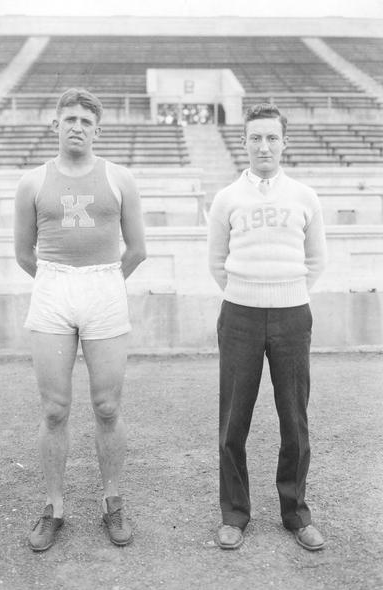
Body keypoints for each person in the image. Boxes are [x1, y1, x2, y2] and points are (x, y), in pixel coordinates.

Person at [14, 88, 146, 551]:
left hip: (104, 287)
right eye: (69, 119)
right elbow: (23, 253)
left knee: (108, 406)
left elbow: (138, 249)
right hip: (52, 287)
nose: (77, 127)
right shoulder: (32, 182)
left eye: (86, 122)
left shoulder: (119, 178)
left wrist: (103, 283)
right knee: (54, 408)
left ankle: (113, 501)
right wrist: (60, 282)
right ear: (55, 125)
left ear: (97, 129)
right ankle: (54, 507)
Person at [208, 103, 327, 551]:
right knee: (233, 421)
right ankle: (234, 514)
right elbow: (217, 262)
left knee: (294, 420)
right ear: (244, 142)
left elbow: (316, 259)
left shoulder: (304, 196)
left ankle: (295, 513)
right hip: (239, 314)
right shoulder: (227, 198)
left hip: (292, 314)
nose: (264, 146)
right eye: (255, 137)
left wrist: (287, 291)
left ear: (284, 142)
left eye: (272, 137)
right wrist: (248, 291)